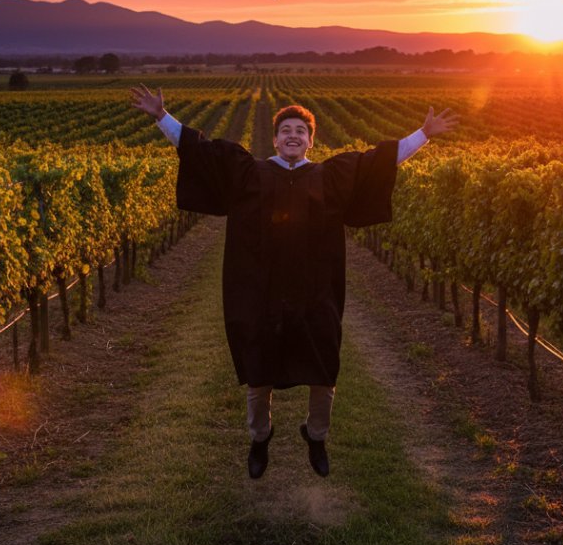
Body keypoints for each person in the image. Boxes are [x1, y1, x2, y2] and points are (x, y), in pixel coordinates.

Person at [129, 84, 457, 478]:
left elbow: (380, 162)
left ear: (310, 141)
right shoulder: (248, 173)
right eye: (286, 129)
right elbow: (200, 151)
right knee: (259, 369)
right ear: (275, 137)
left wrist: (423, 134)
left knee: (322, 367)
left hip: (315, 293)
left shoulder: (330, 176)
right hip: (258, 293)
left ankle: (316, 436)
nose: (292, 135)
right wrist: (162, 116)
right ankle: (260, 436)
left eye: (300, 130)